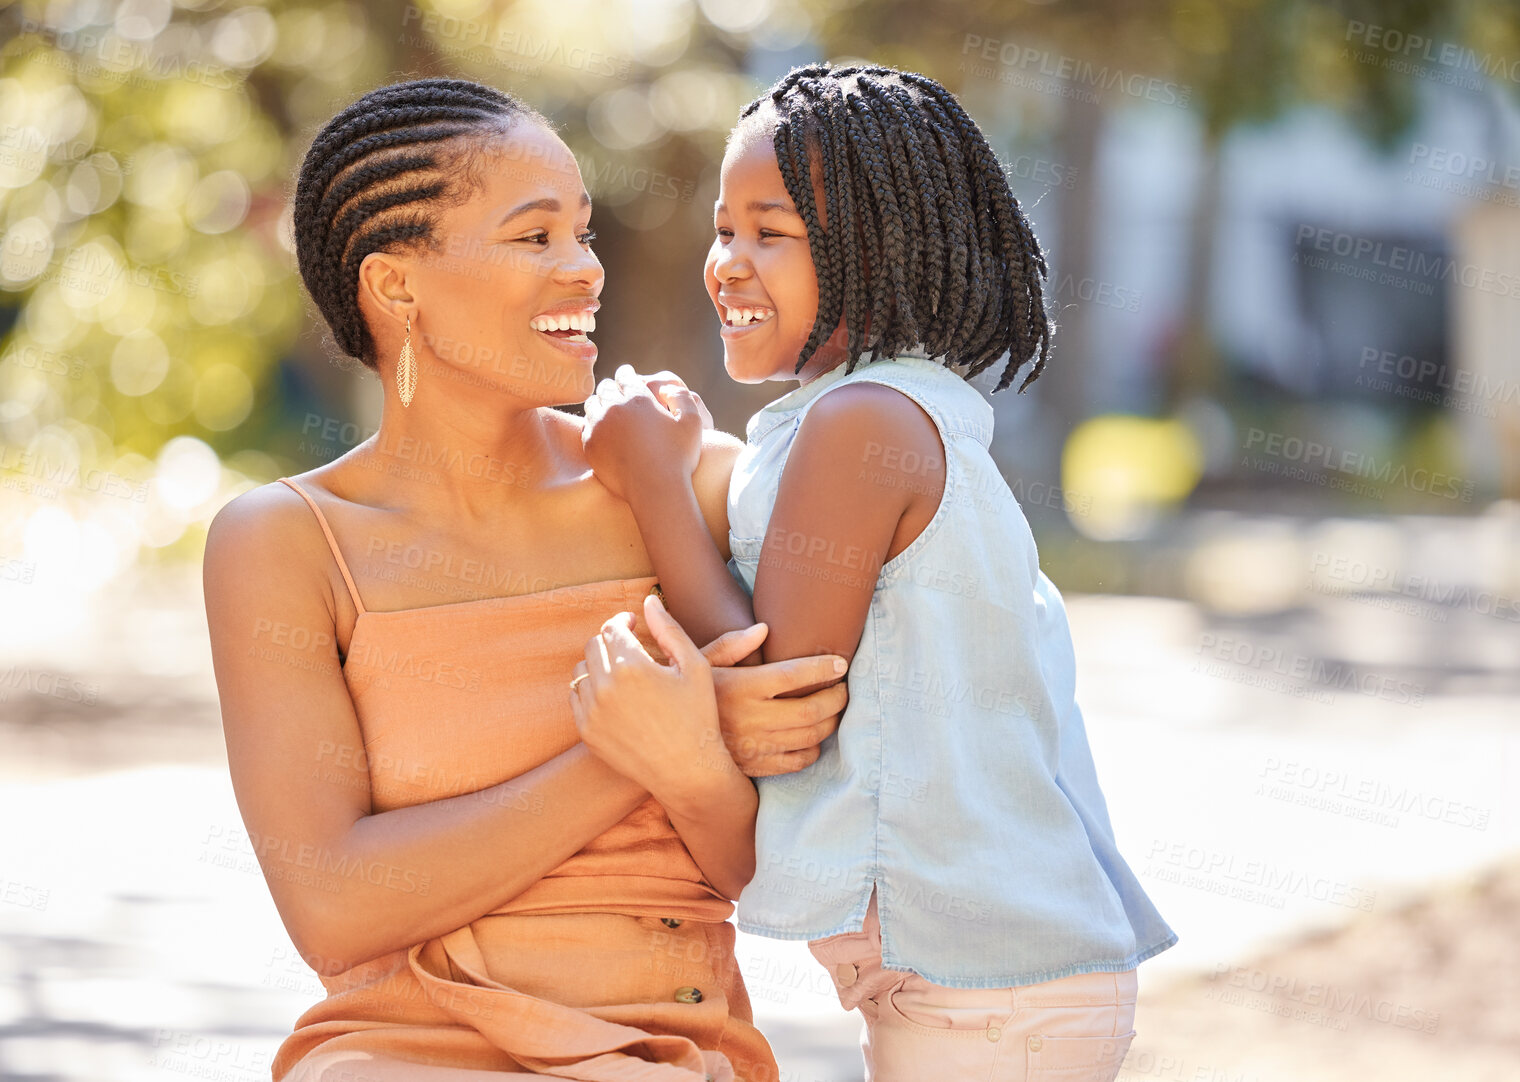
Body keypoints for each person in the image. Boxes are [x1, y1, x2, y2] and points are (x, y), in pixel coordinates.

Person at [203, 77, 845, 1082]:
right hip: (397, 1052)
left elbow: (804, 850)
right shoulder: (285, 542)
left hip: (673, 1049)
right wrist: (631, 753)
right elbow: (331, 908)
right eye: (533, 237)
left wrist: (695, 753)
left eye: (581, 233)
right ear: (397, 286)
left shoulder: (685, 484)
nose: (584, 269)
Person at [581, 62, 1177, 1081]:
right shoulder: (875, 414)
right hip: (980, 979)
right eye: (723, 228)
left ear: (876, 248)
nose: (726, 261)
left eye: (770, 232)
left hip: (987, 993)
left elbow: (774, 685)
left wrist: (649, 478)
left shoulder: (865, 425)